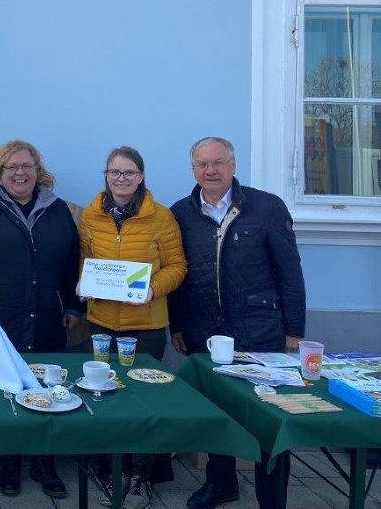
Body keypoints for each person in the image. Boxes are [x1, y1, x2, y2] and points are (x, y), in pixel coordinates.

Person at [169, 137, 306, 509]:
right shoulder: (180, 212)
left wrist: (295, 331)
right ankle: (221, 482)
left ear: (233, 165)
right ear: (193, 169)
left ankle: (272, 498)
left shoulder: (266, 207)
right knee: (218, 412)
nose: (210, 171)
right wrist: (177, 325)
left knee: (268, 418)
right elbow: (179, 275)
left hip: (260, 329)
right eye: (202, 165)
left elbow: (290, 273)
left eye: (218, 163)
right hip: (205, 332)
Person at [0, 140, 82, 500]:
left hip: (47, 316)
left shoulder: (56, 210)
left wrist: (72, 306)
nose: (20, 173)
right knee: (7, 386)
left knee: (47, 385)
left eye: (27, 166)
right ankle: (10, 462)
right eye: (11, 167)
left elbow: (72, 260)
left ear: (38, 171)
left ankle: (45, 463)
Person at [77, 146, 187, 509]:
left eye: (128, 173)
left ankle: (141, 476)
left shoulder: (161, 217)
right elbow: (83, 262)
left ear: (141, 176)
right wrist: (82, 283)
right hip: (100, 324)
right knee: (104, 396)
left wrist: (153, 288)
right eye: (114, 172)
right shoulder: (91, 217)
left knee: (142, 398)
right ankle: (112, 469)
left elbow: (177, 266)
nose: (121, 179)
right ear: (105, 175)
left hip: (146, 326)